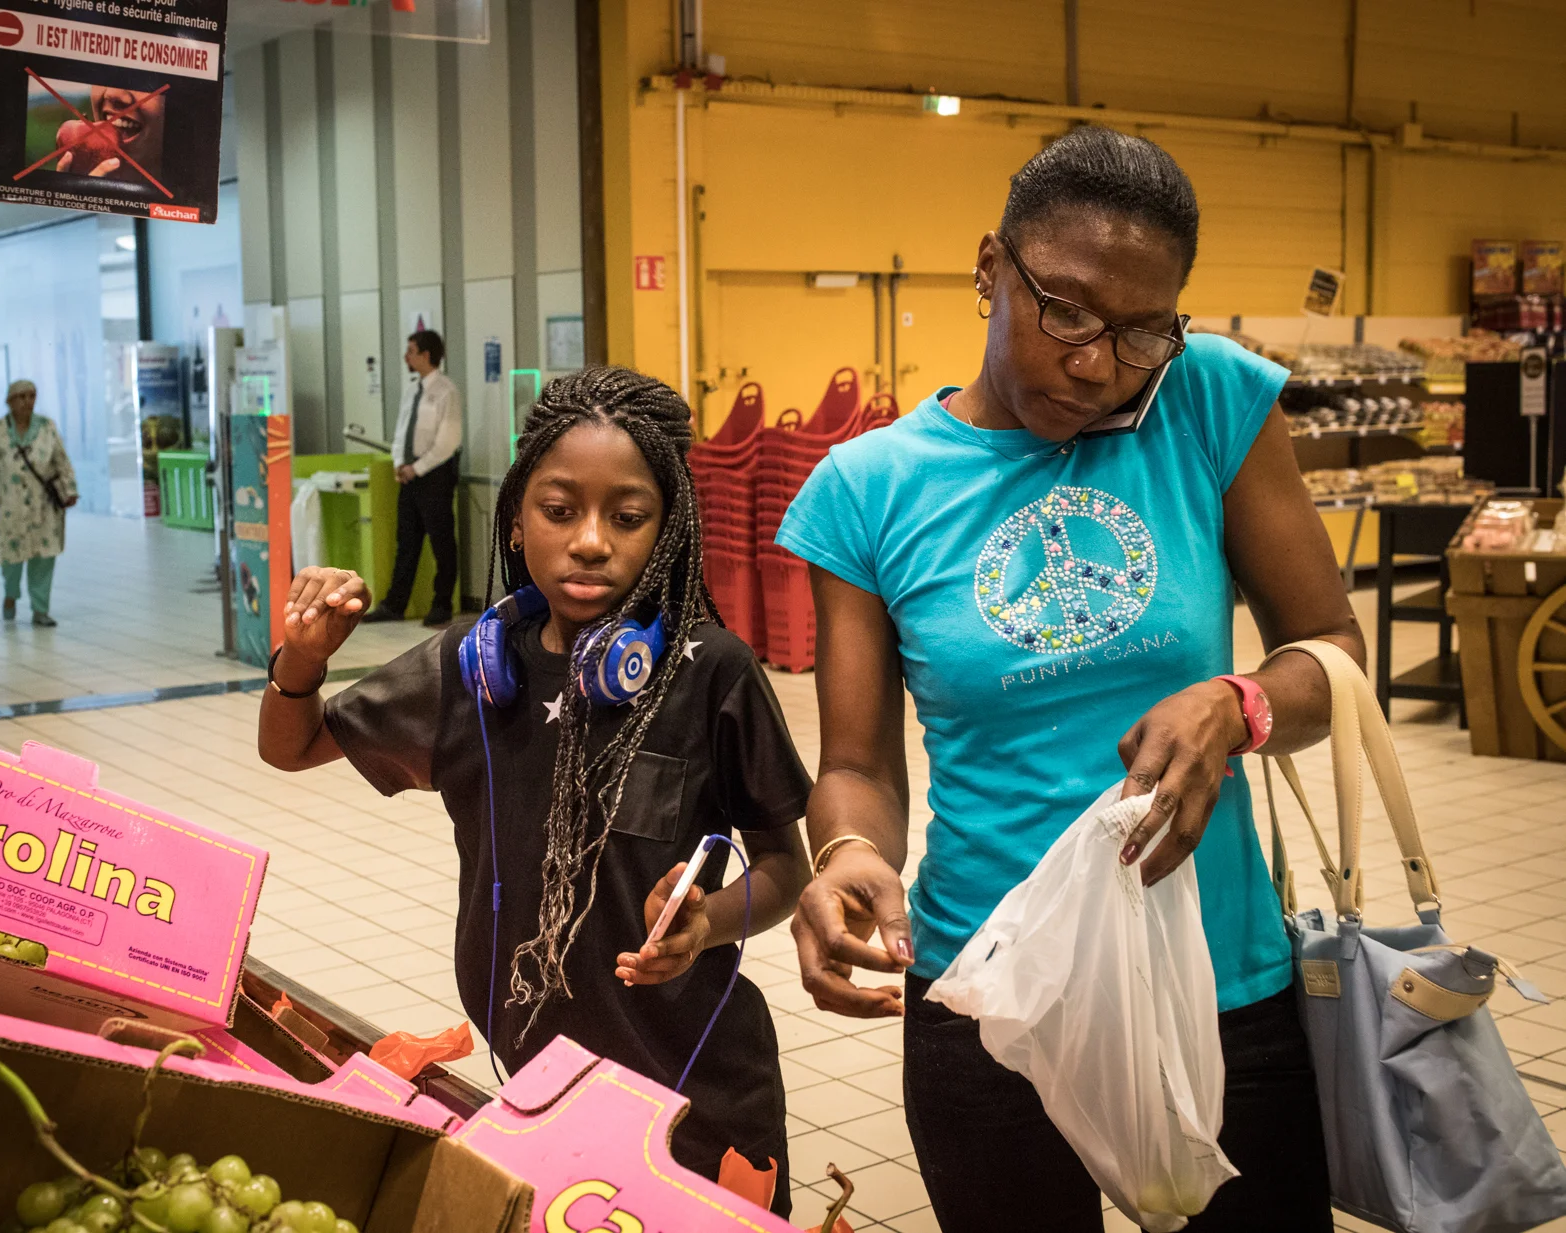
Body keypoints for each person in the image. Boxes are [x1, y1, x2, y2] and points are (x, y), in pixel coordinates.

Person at [775, 127, 1360, 1232]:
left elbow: (1330, 650)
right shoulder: (867, 489)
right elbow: (855, 763)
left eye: (1143, 328)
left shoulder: (1207, 402)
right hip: (987, 989)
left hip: (1216, 981)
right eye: (1068, 310)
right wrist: (846, 856)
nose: (1098, 361)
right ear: (990, 268)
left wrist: (1235, 704)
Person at [259, 367, 812, 1215]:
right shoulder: (471, 669)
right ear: (517, 524)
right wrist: (305, 656)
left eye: (628, 518)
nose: (591, 540)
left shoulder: (711, 672)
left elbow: (787, 867)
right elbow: (290, 747)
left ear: (668, 531)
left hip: (695, 1095)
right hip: (540, 1082)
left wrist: (709, 924)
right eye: (560, 511)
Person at [364, 329, 461, 627]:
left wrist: (417, 468)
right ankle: (394, 604)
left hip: (435, 474)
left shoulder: (447, 391)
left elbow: (448, 441)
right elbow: (401, 430)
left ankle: (441, 604)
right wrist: (398, 462)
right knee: (406, 542)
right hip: (408, 474)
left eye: (411, 351)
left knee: (441, 541)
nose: (406, 357)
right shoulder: (412, 390)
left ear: (426, 355)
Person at [0, 379, 79, 627]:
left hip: (43, 506)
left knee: (43, 558)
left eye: (31, 396)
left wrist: (70, 490)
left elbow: (62, 462)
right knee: (10, 560)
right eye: (21, 397)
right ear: (10, 401)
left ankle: (40, 609)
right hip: (11, 508)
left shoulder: (47, 428)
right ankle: (11, 595)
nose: (27, 402)